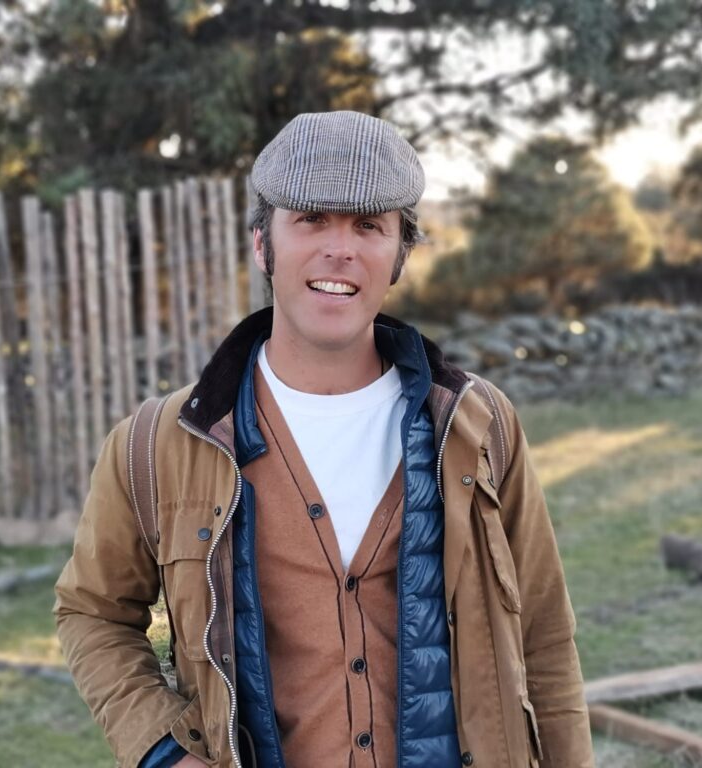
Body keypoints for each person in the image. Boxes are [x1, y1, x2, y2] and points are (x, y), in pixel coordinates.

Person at [53, 110, 594, 768]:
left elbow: (544, 639)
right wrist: (164, 752)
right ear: (263, 245)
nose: (340, 249)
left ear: (399, 255)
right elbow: (92, 613)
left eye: (369, 226)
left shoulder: (479, 426)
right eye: (311, 219)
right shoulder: (154, 446)